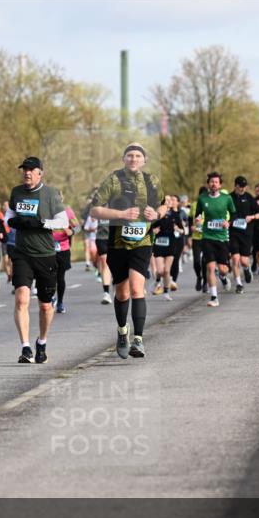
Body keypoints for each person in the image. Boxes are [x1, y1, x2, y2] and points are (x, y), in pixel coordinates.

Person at [89, 143, 163, 357]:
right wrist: (121, 214)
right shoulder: (113, 180)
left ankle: (138, 340)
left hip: (142, 242)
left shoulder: (152, 181)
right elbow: (95, 210)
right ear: (124, 159)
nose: (133, 159)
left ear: (144, 160)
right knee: (122, 292)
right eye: (130, 155)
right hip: (117, 243)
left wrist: (156, 213)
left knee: (137, 287)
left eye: (138, 156)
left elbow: (165, 205)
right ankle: (123, 331)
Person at [6, 156, 65, 363]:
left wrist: (42, 223)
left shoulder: (50, 193)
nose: (27, 173)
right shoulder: (17, 192)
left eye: (31, 170)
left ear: (40, 173)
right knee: (22, 299)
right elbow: (8, 216)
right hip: (22, 254)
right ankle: (25, 348)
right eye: (24, 170)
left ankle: (42, 342)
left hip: (45, 255)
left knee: (45, 306)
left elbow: (63, 220)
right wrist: (15, 221)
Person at [195, 172, 234, 307]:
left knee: (223, 269)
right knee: (210, 266)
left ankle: (223, 277)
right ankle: (214, 297)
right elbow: (198, 214)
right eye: (211, 182)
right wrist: (198, 219)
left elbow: (234, 213)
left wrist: (228, 222)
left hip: (222, 237)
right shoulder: (202, 198)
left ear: (220, 184)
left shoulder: (227, 198)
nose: (213, 184)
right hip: (207, 237)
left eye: (216, 182)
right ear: (208, 184)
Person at [52, 197, 81, 314]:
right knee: (48, 276)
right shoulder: (45, 211)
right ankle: (50, 298)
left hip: (63, 248)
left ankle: (60, 302)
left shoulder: (68, 212)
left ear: (62, 199)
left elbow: (77, 227)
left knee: (60, 277)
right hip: (47, 248)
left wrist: (72, 232)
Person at [229, 175, 258, 294]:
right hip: (233, 232)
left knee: (244, 261)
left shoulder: (249, 197)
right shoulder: (228, 198)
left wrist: (252, 217)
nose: (243, 189)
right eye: (241, 186)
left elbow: (258, 214)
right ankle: (239, 284)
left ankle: (247, 269)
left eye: (245, 186)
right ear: (235, 186)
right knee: (235, 259)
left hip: (246, 233)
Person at [151, 194, 181, 300]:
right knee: (160, 271)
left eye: (169, 200)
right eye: (166, 200)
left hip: (171, 243)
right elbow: (150, 228)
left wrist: (178, 229)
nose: (168, 201)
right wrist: (153, 231)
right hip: (159, 243)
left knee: (167, 271)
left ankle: (166, 292)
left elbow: (183, 230)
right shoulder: (157, 214)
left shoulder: (175, 215)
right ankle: (157, 281)